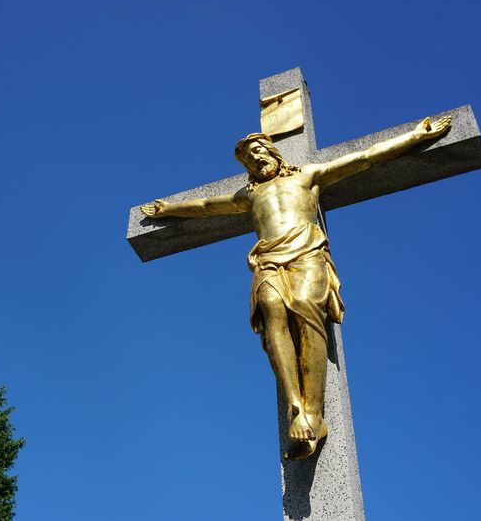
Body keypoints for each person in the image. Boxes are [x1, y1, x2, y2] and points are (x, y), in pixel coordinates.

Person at [141, 115, 451, 459]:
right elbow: (205, 206)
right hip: (268, 259)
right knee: (271, 310)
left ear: (274, 153)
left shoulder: (307, 176)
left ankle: (314, 415)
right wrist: (168, 209)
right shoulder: (248, 195)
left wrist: (415, 136)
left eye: (259, 151)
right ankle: (294, 405)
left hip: (306, 253)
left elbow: (366, 157)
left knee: (306, 312)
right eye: (249, 159)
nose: (256, 159)